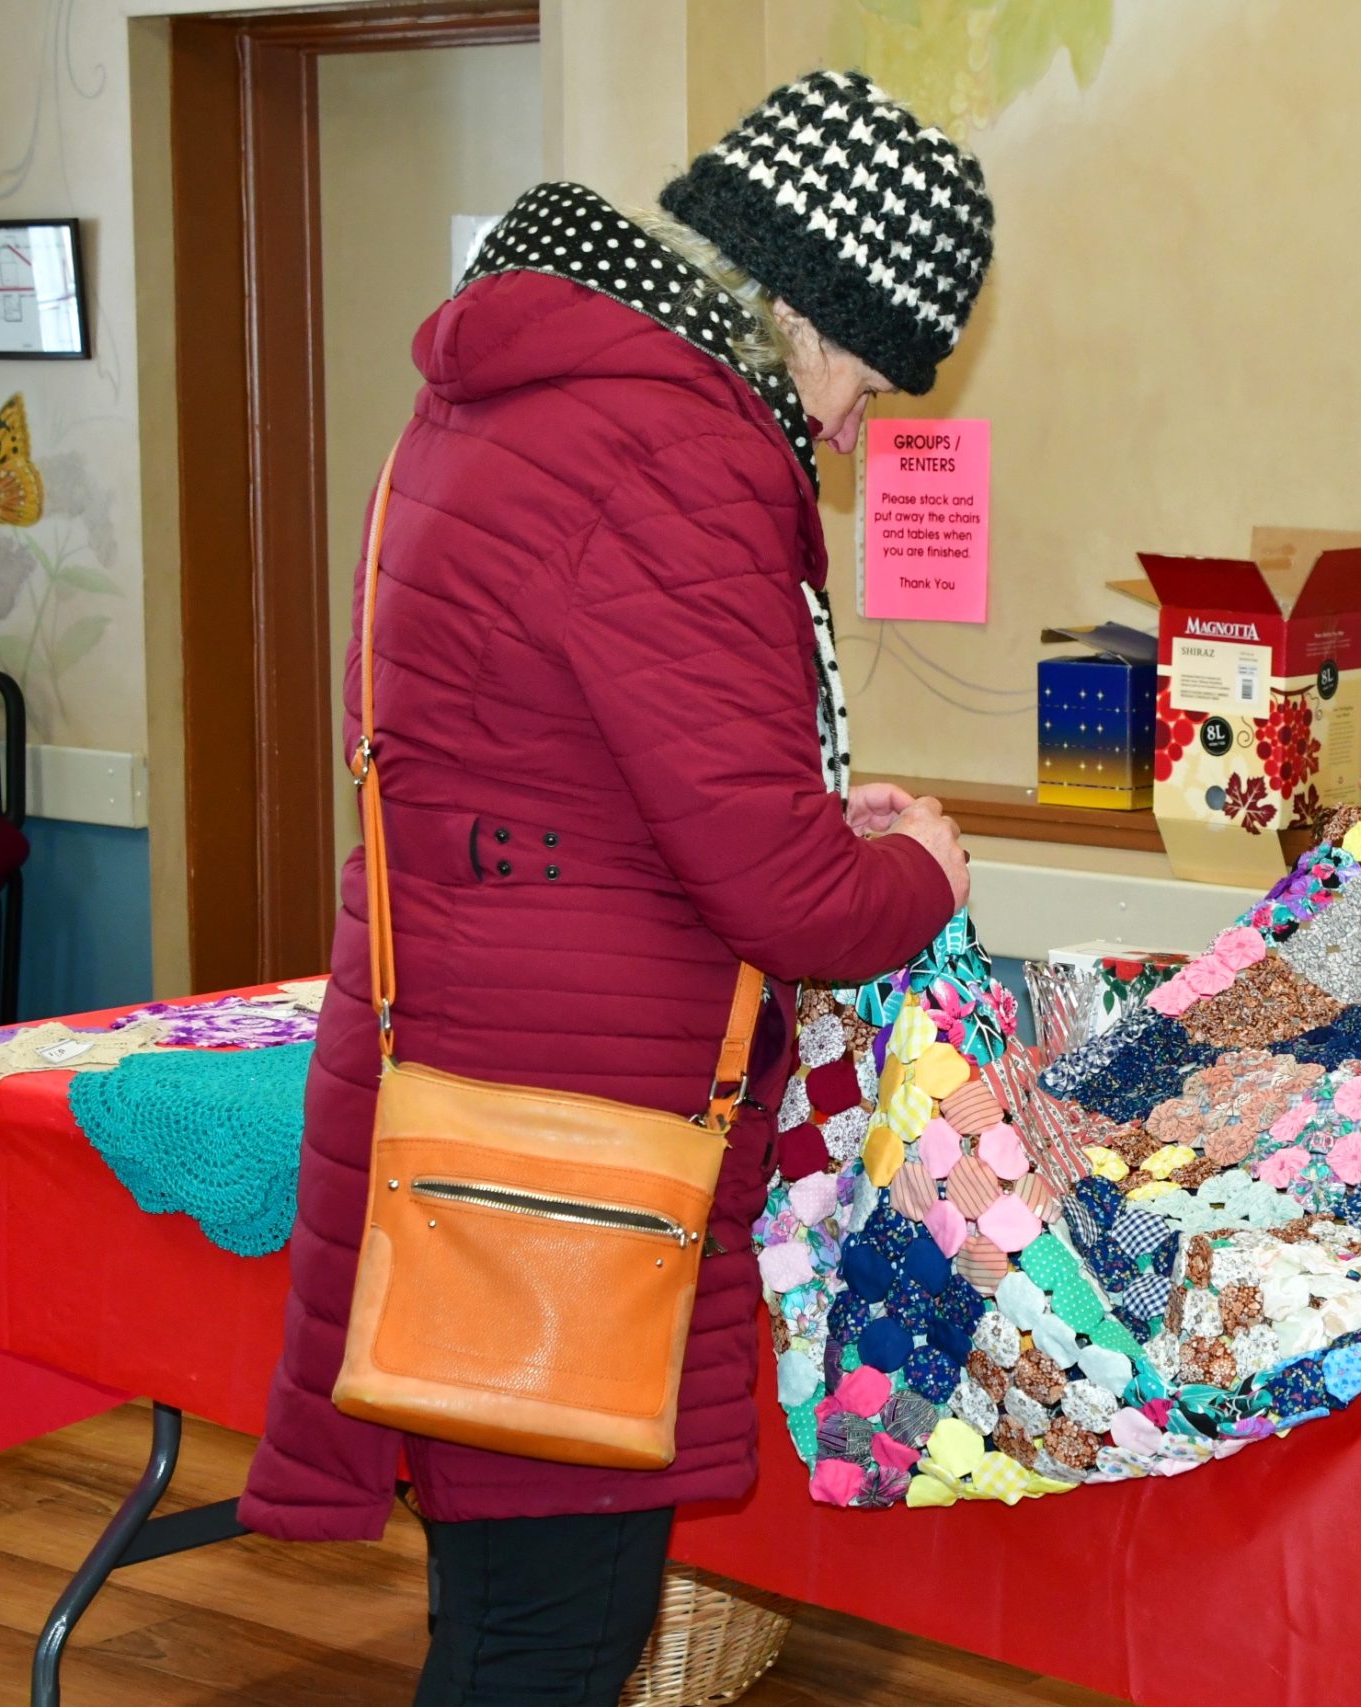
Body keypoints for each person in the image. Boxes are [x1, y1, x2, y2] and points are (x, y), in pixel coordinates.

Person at [237, 72, 991, 1704]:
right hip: (566, 1142)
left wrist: (811, 814)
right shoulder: (674, 452)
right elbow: (787, 901)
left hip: (477, 1078)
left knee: (507, 1618)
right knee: (550, 1640)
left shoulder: (527, 406)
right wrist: (917, 871)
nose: (854, 429)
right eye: (865, 378)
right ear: (798, 305)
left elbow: (591, 764)